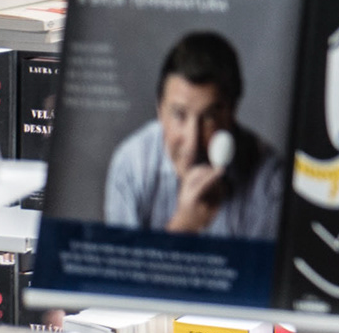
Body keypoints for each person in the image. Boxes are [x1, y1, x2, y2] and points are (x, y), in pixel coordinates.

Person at [101, 30, 280, 241]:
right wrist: (183, 226)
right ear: (159, 110)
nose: (192, 143)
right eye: (179, 115)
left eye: (209, 117)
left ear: (232, 112)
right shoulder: (131, 166)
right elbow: (120, 262)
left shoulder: (269, 180)